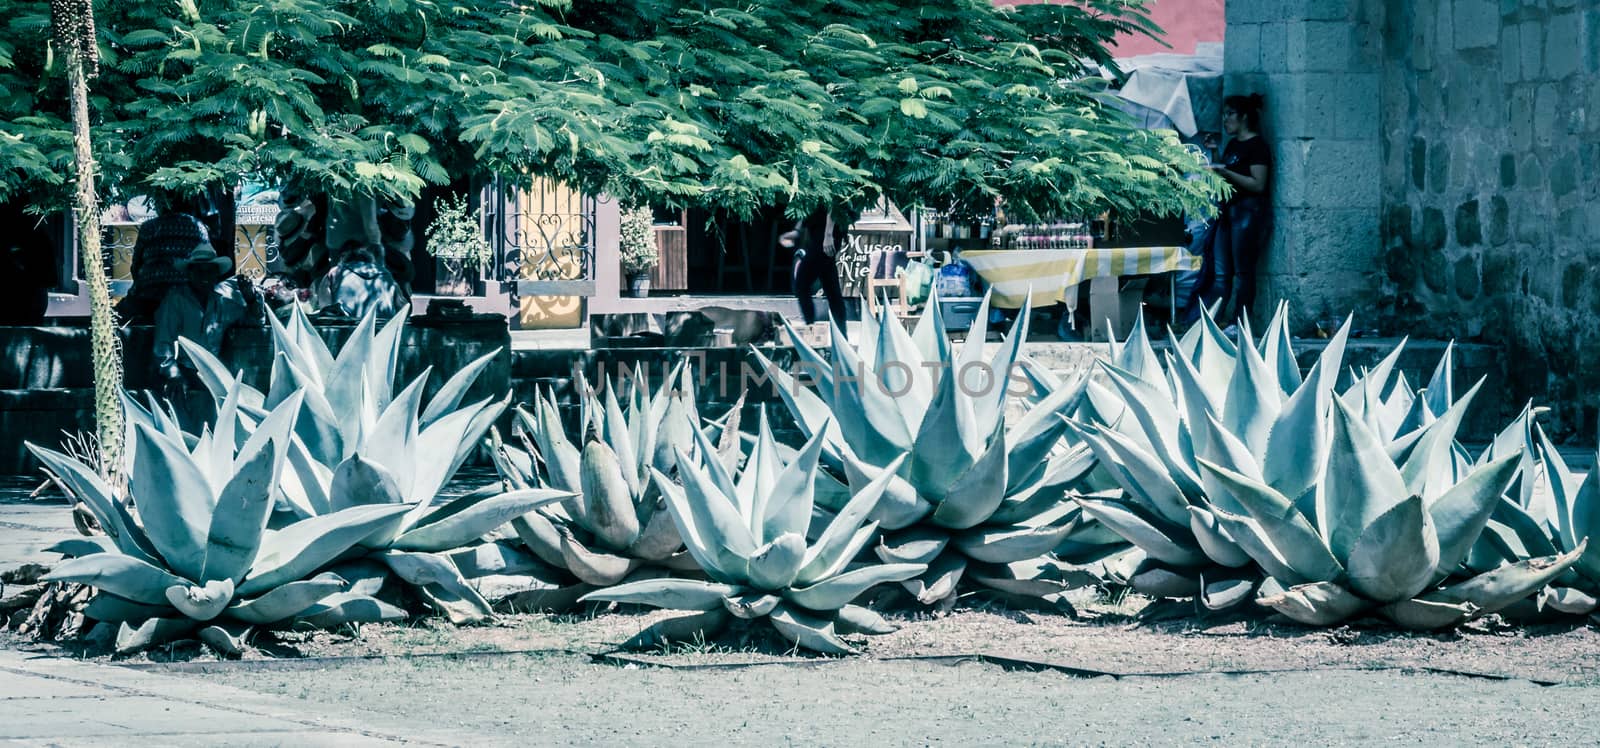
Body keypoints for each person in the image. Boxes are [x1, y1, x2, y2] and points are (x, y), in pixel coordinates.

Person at [1189, 93, 1272, 330]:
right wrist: (1215, 155)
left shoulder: (1257, 146)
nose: (1225, 120)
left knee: (1243, 272)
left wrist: (1225, 172)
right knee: (1222, 271)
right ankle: (1212, 320)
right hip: (1228, 211)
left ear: (1244, 117)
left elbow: (1258, 184)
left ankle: (1240, 322)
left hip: (1247, 214)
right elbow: (1227, 170)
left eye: (1230, 114)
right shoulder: (1235, 144)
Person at [153, 244, 259, 400]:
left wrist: (251, 299)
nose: (204, 277)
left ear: (216, 275)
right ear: (190, 273)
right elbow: (163, 341)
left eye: (209, 271)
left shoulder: (221, 302)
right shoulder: (176, 300)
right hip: (186, 371)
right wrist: (173, 373)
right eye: (199, 271)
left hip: (216, 372)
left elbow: (253, 321)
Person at [784, 205, 854, 325]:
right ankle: (840, 333)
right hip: (818, 233)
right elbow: (809, 203)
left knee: (802, 283)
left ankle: (811, 327)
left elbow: (834, 201)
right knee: (831, 287)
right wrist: (797, 230)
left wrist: (828, 235)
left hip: (826, 235)